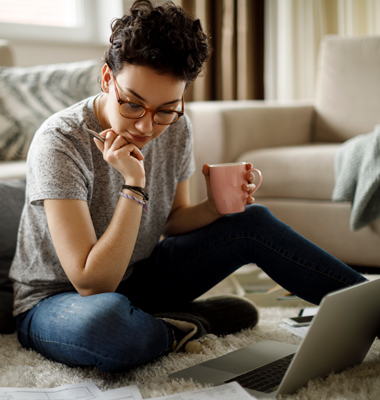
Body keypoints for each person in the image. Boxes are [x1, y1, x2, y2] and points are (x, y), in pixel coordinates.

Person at [10, 0, 366, 373]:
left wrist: (214, 207)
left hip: (138, 278)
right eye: (132, 104)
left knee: (252, 222)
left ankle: (370, 310)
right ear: (106, 79)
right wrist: (134, 185)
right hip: (56, 300)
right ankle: (187, 324)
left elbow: (174, 220)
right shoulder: (61, 141)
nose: (147, 127)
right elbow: (91, 282)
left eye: (166, 109)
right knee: (108, 327)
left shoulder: (177, 126)